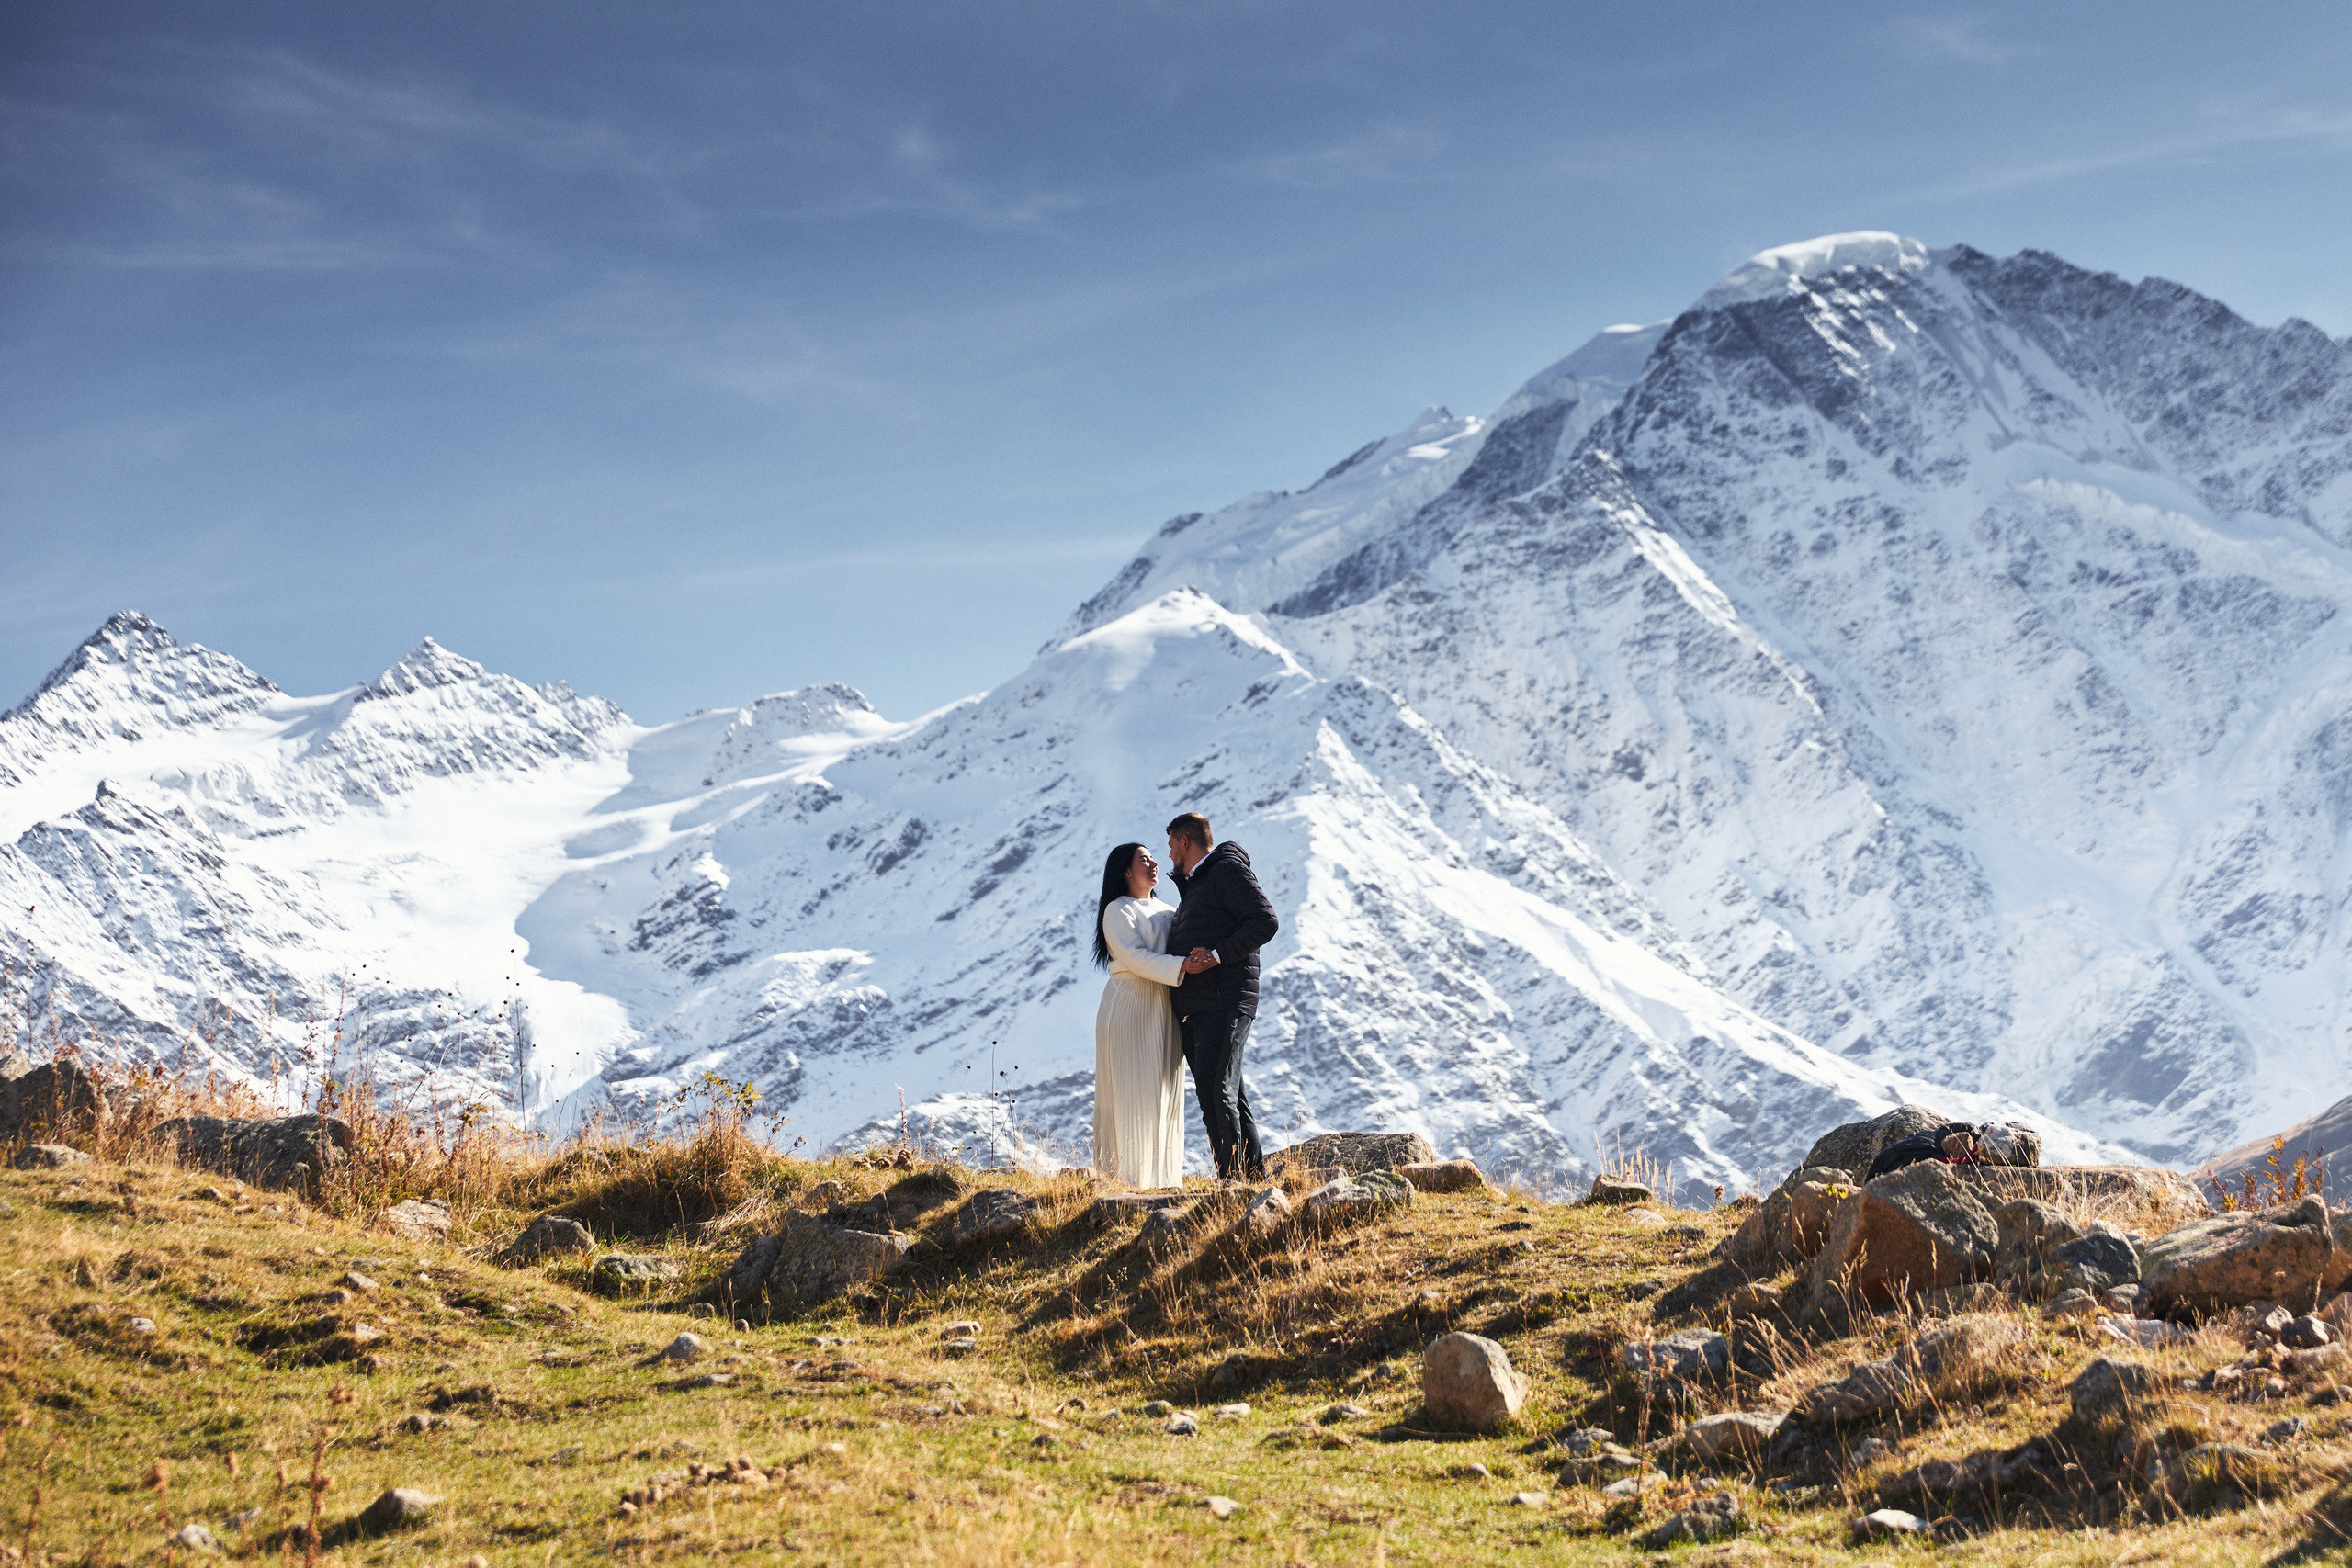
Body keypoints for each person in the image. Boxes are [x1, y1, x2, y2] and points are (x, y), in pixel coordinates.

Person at [1164, 812, 1280, 1180]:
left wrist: (1214, 956)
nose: (1168, 855)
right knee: (1227, 1095)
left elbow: (1265, 920)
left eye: (1170, 846)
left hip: (1224, 1001)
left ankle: (1232, 1186)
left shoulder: (1225, 871)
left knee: (1219, 1095)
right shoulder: (1197, 884)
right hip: (1201, 1007)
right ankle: (1254, 1182)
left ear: (1185, 841)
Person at [1090, 841, 1204, 1188]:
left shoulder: (1170, 910)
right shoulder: (1117, 910)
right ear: (1126, 871)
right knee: (1130, 1092)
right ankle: (1124, 1182)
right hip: (1129, 1006)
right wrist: (1183, 965)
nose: (1155, 863)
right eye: (1144, 859)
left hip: (1164, 1009)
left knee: (1163, 1092)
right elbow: (1135, 957)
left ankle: (1163, 1180)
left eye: (1154, 857)